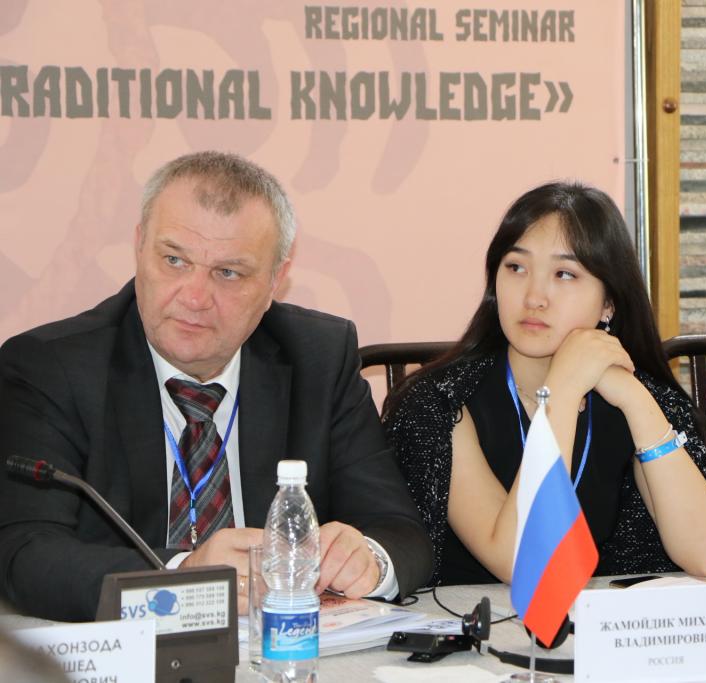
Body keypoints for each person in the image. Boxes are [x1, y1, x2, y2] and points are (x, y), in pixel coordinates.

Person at [0, 151, 432, 621]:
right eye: (174, 260)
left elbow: (401, 532)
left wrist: (367, 558)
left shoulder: (319, 358)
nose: (194, 297)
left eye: (228, 273)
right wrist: (185, 577)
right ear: (139, 246)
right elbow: (24, 554)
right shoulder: (53, 367)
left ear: (275, 280)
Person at [383, 182, 706, 586]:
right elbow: (523, 564)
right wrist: (561, 394)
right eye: (516, 267)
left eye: (564, 274)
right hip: (475, 621)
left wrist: (638, 400)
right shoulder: (438, 404)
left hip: (598, 623)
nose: (534, 297)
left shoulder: (637, 397)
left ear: (608, 303)